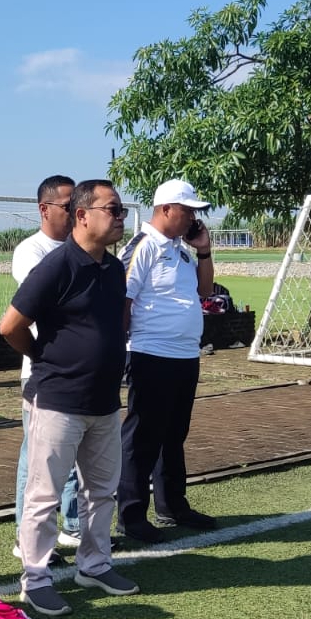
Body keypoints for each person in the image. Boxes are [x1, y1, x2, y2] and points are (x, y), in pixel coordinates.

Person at [0, 180, 139, 617]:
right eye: (112, 210)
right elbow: (10, 326)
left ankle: (94, 565)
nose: (120, 218)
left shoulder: (113, 269)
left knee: (101, 492)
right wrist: (44, 358)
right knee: (44, 495)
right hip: (58, 400)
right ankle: (35, 579)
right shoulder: (56, 265)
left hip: (104, 401)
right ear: (83, 215)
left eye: (121, 211)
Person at [116, 177, 218, 543]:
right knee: (143, 437)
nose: (193, 218)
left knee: (174, 435)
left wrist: (204, 251)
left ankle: (173, 505)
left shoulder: (182, 250)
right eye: (188, 211)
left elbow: (204, 290)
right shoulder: (143, 246)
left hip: (185, 354)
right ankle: (131, 515)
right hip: (150, 353)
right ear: (167, 209)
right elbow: (123, 302)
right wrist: (118, 353)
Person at [11, 175, 80, 559]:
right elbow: (48, 303)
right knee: (38, 459)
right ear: (45, 209)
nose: (75, 213)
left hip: (77, 370)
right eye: (69, 206)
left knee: (73, 455)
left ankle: (73, 525)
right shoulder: (31, 251)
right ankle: (28, 537)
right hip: (43, 369)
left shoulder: (81, 249)